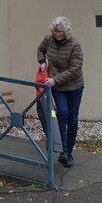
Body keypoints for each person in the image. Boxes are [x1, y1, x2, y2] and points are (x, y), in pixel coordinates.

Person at [37, 15, 84, 168]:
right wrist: (42, 61)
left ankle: (68, 152)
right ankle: (62, 150)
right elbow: (40, 49)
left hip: (74, 86)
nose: (58, 34)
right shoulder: (48, 39)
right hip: (56, 86)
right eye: (56, 31)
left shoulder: (75, 45)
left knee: (72, 119)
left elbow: (75, 69)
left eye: (61, 32)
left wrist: (55, 79)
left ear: (67, 32)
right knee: (61, 112)